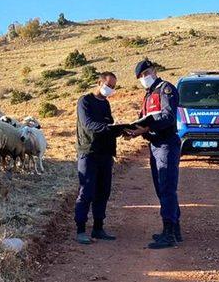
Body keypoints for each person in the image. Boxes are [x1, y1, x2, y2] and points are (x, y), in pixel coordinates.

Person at [126, 59, 182, 249]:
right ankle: (174, 229)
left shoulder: (165, 89)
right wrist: (136, 131)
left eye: (146, 73)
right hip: (156, 144)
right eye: (140, 77)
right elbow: (145, 120)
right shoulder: (148, 95)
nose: (144, 78)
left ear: (154, 71)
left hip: (167, 144)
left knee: (166, 188)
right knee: (161, 188)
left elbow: (167, 117)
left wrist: (146, 127)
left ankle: (169, 234)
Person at [74, 72, 120, 244]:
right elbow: (88, 125)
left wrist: (121, 129)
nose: (110, 89)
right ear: (99, 82)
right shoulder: (84, 101)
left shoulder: (106, 104)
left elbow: (109, 124)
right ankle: (80, 229)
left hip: (105, 154)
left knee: (103, 191)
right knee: (86, 191)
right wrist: (109, 128)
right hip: (88, 152)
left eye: (113, 87)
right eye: (109, 85)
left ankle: (98, 228)